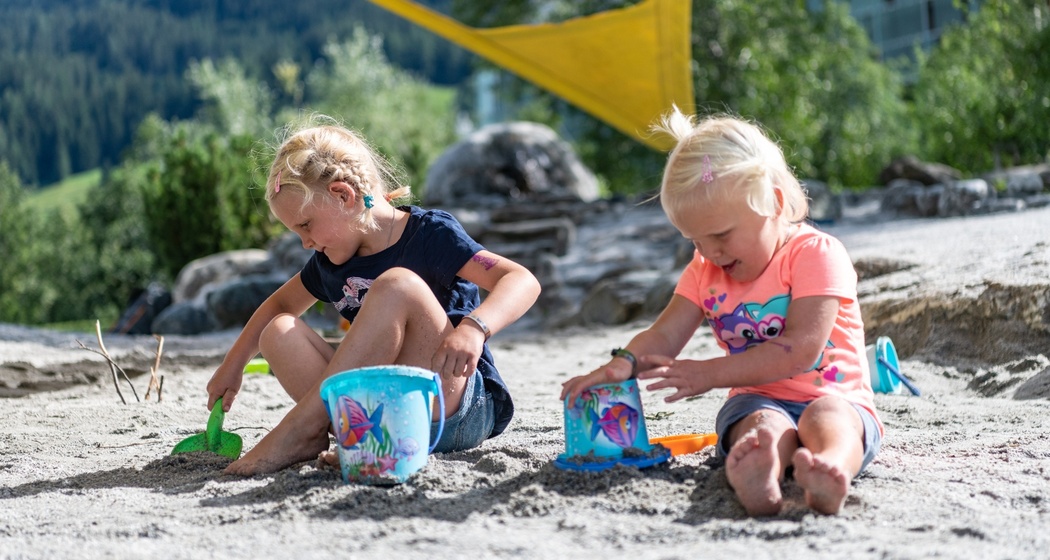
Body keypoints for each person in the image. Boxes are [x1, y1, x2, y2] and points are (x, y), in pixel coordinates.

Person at [561, 107, 882, 516]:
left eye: (721, 235)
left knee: (829, 418)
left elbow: (801, 348)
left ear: (774, 202)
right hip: (757, 399)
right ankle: (762, 472)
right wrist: (623, 363)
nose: (709, 251)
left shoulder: (815, 254)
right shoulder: (704, 270)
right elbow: (664, 336)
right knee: (760, 427)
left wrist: (709, 374)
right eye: (694, 239)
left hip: (836, 396)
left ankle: (831, 468)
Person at [207, 118, 541, 476]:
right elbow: (279, 305)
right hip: (377, 420)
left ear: (343, 195)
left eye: (306, 225)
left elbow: (520, 279)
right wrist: (234, 364)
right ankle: (364, 441)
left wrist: (475, 328)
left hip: (453, 406)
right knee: (278, 331)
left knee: (396, 285)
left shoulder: (429, 234)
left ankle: (303, 427)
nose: (305, 242)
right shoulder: (330, 261)